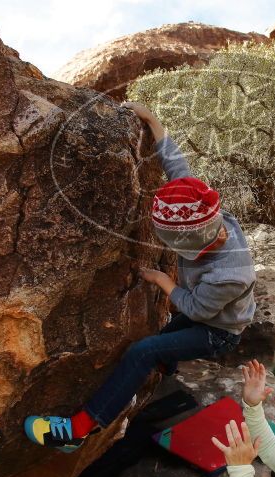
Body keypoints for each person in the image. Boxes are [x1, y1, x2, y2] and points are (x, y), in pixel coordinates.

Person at [25, 102, 257, 451]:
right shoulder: (200, 207)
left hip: (219, 331)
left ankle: (80, 429)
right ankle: (167, 362)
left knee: (143, 351)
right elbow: (178, 169)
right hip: (208, 313)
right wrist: (153, 121)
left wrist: (162, 281)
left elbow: (196, 311)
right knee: (165, 341)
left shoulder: (230, 274)